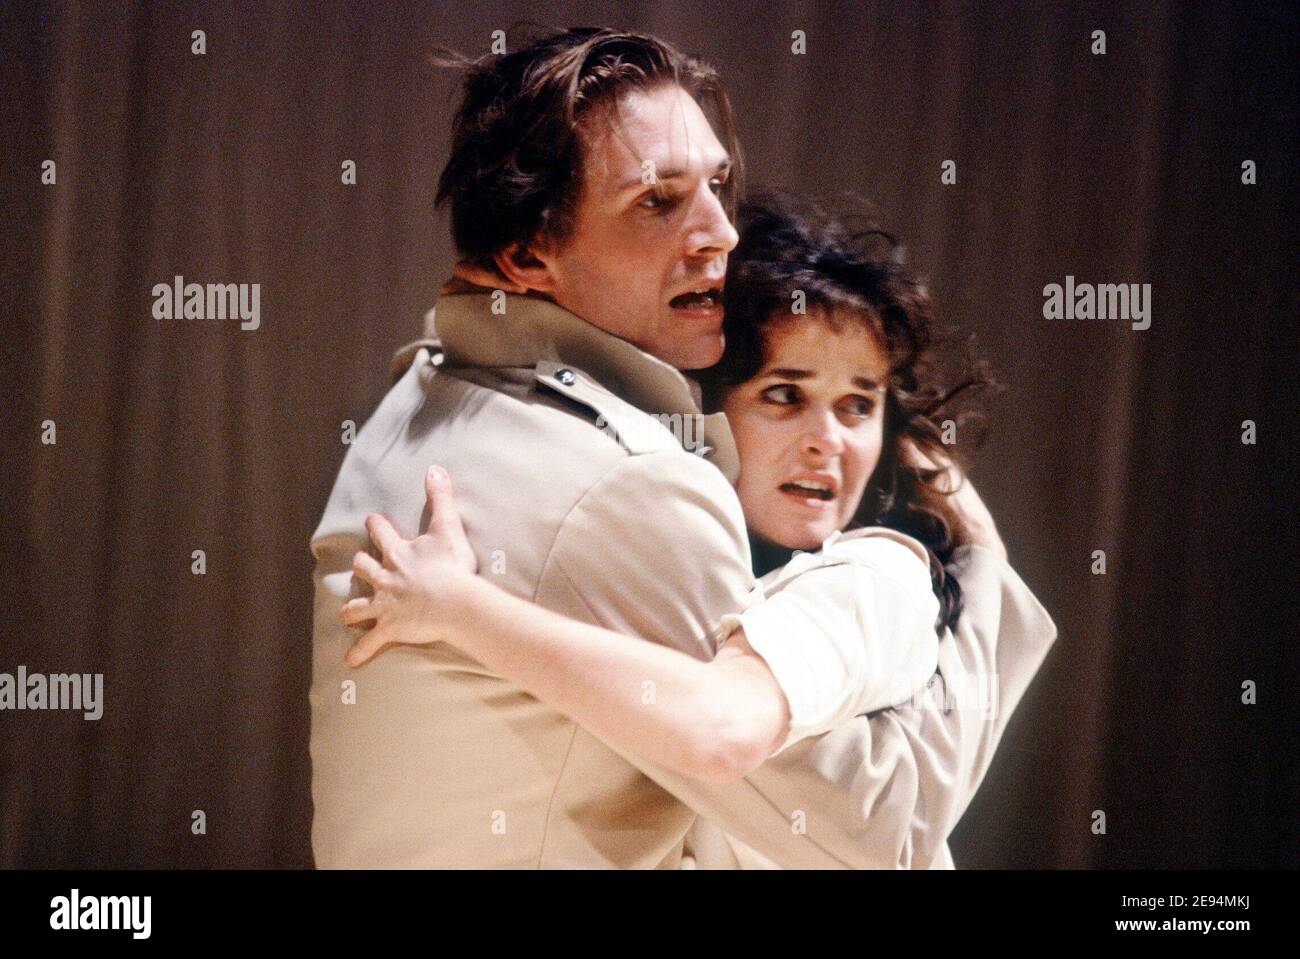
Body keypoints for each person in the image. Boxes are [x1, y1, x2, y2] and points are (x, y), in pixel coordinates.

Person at [309, 27, 1057, 869]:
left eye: (717, 186)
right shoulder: (632, 487)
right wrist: (985, 575)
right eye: (658, 201)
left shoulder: (421, 394)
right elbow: (863, 829)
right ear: (526, 255)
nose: (720, 235)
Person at [341, 192, 1001, 782]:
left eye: (859, 406)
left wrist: (457, 606)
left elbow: (721, 731)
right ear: (706, 410)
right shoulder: (685, 547)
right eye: (785, 394)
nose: (827, 439)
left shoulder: (874, 577)